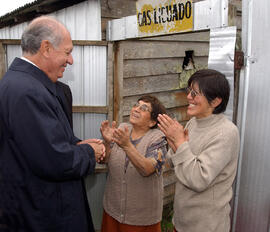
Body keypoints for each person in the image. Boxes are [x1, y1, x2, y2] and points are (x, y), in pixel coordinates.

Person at [0, 16, 105, 232]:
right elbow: (55, 160)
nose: (71, 60)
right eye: (67, 52)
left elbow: (40, 145)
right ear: (46, 48)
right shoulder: (28, 92)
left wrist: (74, 145)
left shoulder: (24, 83)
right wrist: (89, 152)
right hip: (40, 214)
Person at [158, 69, 240, 232]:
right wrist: (174, 142)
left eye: (195, 94)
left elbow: (198, 179)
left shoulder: (226, 133)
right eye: (189, 91)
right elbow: (174, 163)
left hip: (206, 225)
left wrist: (180, 143)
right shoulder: (194, 122)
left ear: (215, 101)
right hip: (183, 220)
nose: (189, 97)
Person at [100, 95, 167, 232]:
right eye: (136, 105)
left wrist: (126, 145)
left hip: (141, 219)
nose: (136, 109)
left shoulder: (157, 139)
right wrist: (107, 142)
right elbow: (105, 160)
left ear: (152, 122)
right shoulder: (123, 128)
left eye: (144, 108)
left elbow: (147, 169)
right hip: (112, 210)